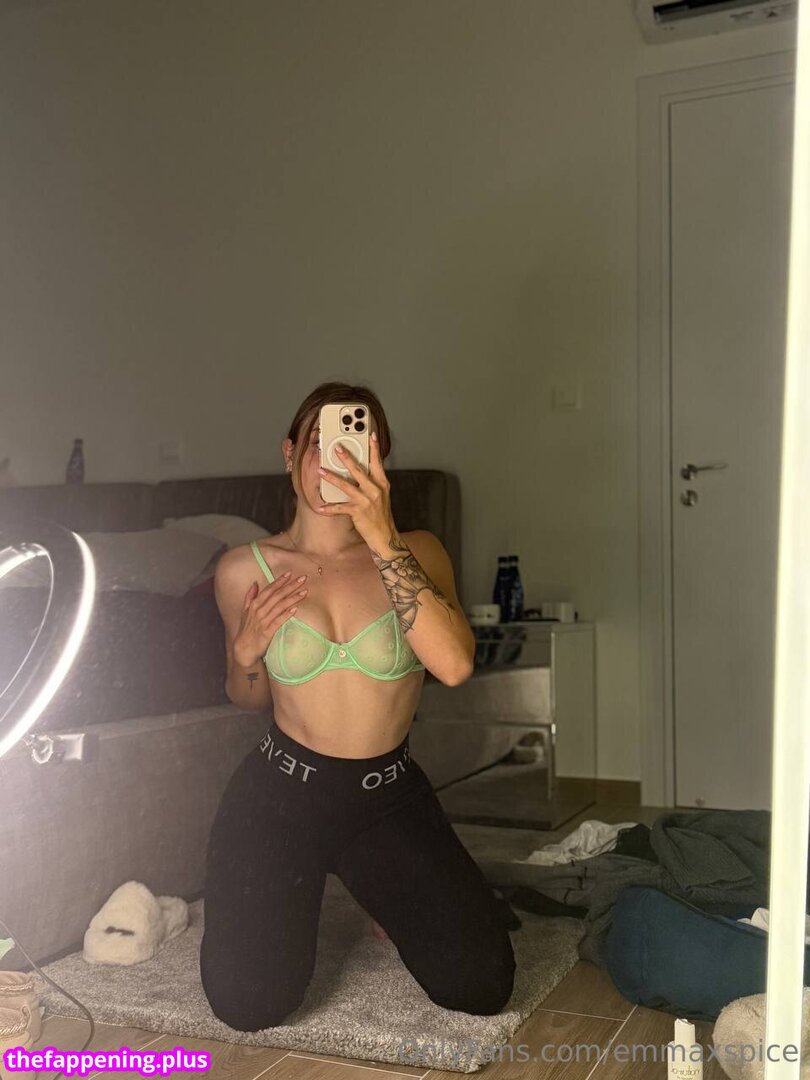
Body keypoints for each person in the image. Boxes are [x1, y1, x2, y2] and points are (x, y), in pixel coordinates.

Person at [200, 381, 516, 1031]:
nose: (333, 461)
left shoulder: (417, 551)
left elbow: (455, 666)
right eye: (318, 444)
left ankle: (377, 886)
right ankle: (309, 885)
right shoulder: (242, 569)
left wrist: (381, 534)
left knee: (481, 983)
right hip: (280, 792)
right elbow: (246, 694)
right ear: (290, 453)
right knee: (250, 1002)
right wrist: (246, 651)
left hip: (386, 797)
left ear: (379, 459)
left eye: (354, 444)